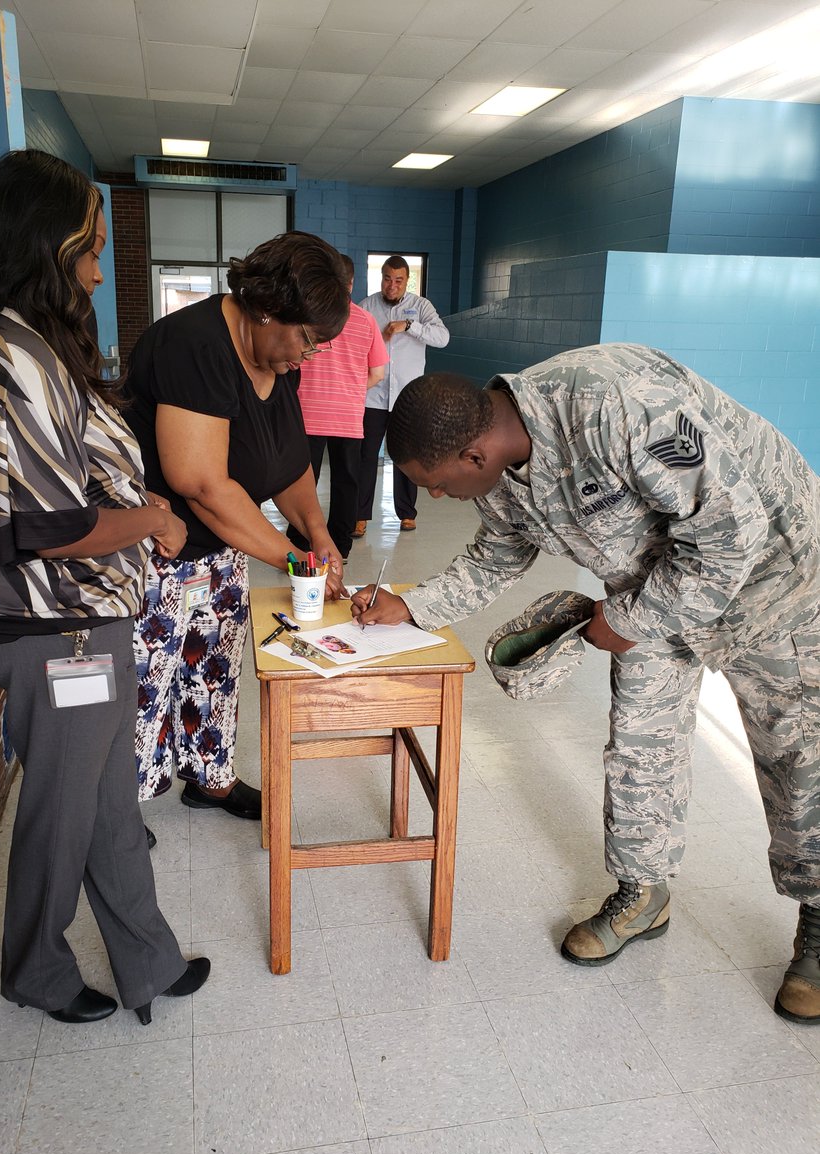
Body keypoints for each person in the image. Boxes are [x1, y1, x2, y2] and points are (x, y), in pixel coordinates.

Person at [351, 346, 820, 1025]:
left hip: (776, 580)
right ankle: (643, 893)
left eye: (439, 483)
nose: (436, 496)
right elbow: (499, 554)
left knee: (798, 752)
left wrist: (629, 620)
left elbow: (728, 537)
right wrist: (415, 605)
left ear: (474, 456)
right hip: (655, 586)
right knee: (639, 741)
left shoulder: (618, 405)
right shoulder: (501, 467)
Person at [0, 149, 209, 1026]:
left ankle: (147, 961)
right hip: (56, 624)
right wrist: (156, 523)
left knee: (106, 795)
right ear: (46, 242)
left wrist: (138, 497)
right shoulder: (7, 354)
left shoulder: (33, 342)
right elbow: (53, 530)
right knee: (63, 810)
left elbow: (72, 486)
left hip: (87, 617)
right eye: (88, 246)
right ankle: (35, 971)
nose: (96, 265)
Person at [124, 231, 350, 824]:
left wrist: (316, 534)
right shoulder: (193, 344)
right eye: (307, 339)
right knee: (149, 680)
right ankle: (118, 809)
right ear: (268, 307)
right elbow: (201, 482)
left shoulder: (280, 362)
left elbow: (289, 465)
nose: (309, 355)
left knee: (214, 671)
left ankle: (209, 780)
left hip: (223, 547)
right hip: (160, 552)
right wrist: (293, 559)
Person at [286, 254, 387, 562]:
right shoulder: (366, 320)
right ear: (351, 283)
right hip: (348, 417)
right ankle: (340, 546)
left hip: (307, 414)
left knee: (303, 481)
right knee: (347, 482)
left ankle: (301, 544)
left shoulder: (306, 316)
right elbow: (378, 373)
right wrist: (352, 390)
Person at [354, 255, 450, 536]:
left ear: (408, 281)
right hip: (373, 397)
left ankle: (407, 514)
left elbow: (443, 338)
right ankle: (360, 516)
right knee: (366, 457)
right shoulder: (367, 307)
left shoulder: (420, 307)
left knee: (405, 457)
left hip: (408, 398)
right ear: (381, 278)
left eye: (398, 280)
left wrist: (409, 327)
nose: (391, 285)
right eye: (387, 279)